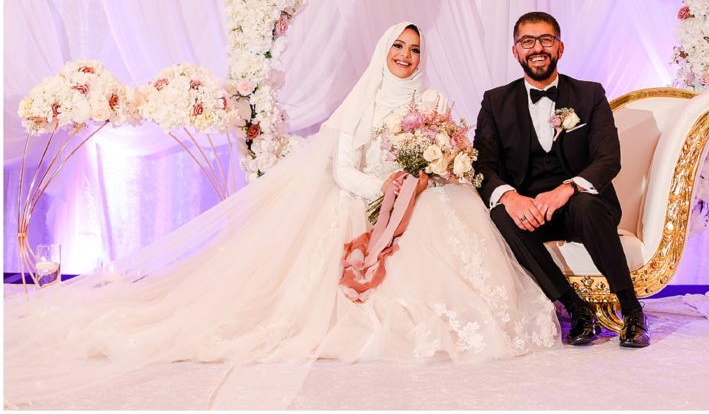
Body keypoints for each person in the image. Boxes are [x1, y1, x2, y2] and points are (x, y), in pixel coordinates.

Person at [4, 22, 559, 406]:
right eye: (399, 48)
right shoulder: (360, 100)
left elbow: (441, 156)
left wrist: (432, 172)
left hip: (416, 196)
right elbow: (342, 168)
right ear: (383, 51)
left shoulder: (432, 101)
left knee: (448, 206)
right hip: (364, 198)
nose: (407, 58)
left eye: (415, 50)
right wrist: (381, 189)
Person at [473, 11, 651, 348]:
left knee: (584, 205)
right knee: (500, 213)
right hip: (532, 211)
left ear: (560, 47)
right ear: (515, 51)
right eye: (527, 41)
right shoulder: (495, 101)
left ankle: (631, 311)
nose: (537, 48)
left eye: (546, 40)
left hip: (584, 207)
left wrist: (566, 188)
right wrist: (510, 196)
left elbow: (608, 159)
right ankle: (576, 309)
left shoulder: (589, 95)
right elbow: (482, 162)